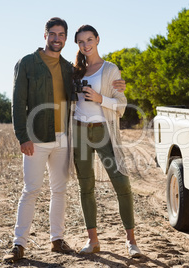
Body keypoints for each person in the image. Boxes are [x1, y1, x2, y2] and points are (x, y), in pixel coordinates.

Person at [3, 18, 126, 263]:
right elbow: (18, 103)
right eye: (53, 34)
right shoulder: (27, 63)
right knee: (31, 190)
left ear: (65, 38)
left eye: (61, 35)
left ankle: (56, 240)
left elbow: (94, 79)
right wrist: (22, 136)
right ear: (45, 35)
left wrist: (117, 85)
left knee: (59, 190)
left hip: (63, 138)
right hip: (35, 138)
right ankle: (19, 244)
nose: (57, 38)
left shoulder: (70, 68)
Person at [72, 24, 141, 258]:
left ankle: (131, 241)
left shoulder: (110, 69)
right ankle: (93, 241)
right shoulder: (74, 70)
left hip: (104, 131)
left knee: (121, 182)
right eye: (81, 42)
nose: (85, 45)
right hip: (80, 133)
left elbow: (121, 104)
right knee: (86, 186)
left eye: (89, 40)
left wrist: (101, 98)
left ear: (98, 40)